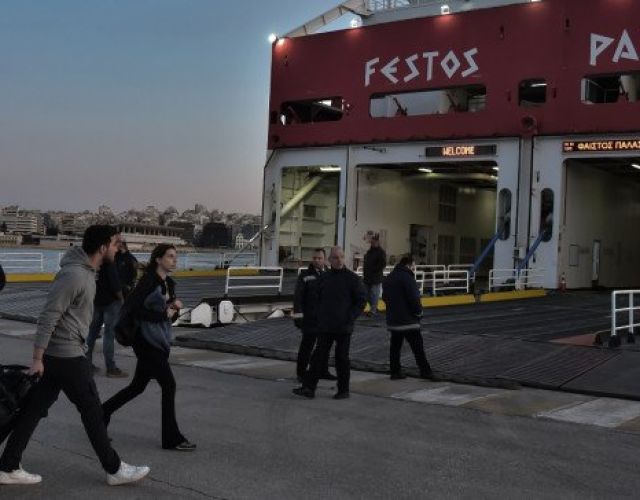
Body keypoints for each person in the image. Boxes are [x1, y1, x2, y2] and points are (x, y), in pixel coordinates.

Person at [0, 225, 150, 486]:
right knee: (92, 411)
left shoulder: (88, 272)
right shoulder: (75, 275)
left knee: (34, 409)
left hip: (62, 354)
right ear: (103, 247)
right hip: (66, 355)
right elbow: (48, 316)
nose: (118, 248)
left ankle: (8, 465)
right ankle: (114, 468)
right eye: (115, 244)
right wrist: (37, 359)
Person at [102, 244, 195, 452]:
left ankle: (102, 413)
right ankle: (171, 438)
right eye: (170, 256)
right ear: (158, 259)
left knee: (137, 387)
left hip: (159, 340)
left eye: (175, 256)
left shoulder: (169, 283)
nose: (174, 260)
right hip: (145, 341)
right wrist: (163, 313)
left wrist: (174, 310)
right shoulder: (148, 281)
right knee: (169, 385)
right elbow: (134, 310)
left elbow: (168, 318)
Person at [293, 247, 367, 400]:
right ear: (330, 260)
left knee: (342, 358)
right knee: (318, 356)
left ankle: (343, 390)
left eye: (341, 257)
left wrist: (351, 316)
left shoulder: (353, 279)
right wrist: (318, 316)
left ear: (344, 258)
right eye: (335, 257)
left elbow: (361, 300)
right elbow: (316, 298)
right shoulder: (324, 278)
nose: (339, 260)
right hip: (326, 325)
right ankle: (309, 388)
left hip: (344, 326)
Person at [382, 256, 435, 380]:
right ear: (409, 265)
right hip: (409, 321)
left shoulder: (389, 278)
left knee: (395, 348)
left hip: (394, 321)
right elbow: (414, 298)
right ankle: (426, 372)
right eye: (414, 266)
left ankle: (395, 372)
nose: (414, 269)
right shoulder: (408, 278)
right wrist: (419, 313)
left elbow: (385, 297)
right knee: (418, 348)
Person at [86, 233, 128, 378]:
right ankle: (111, 368)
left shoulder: (97, 260)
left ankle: (86, 364)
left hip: (97, 300)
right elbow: (115, 283)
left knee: (91, 333)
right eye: (116, 243)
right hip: (111, 302)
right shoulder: (110, 261)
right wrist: (121, 300)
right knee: (109, 335)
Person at [292, 248, 336, 382]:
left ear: (325, 259)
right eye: (314, 258)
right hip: (310, 317)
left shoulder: (329, 274)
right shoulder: (305, 276)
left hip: (325, 318)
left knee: (324, 346)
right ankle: (301, 373)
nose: (316, 260)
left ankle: (322, 370)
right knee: (307, 346)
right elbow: (298, 297)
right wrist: (298, 316)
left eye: (319, 258)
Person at [363, 235, 387, 315]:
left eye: (374, 241)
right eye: (372, 241)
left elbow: (383, 264)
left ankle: (373, 310)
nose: (373, 243)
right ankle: (374, 308)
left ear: (377, 242)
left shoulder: (381, 252)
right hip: (367, 277)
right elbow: (366, 263)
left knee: (374, 294)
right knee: (366, 294)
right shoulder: (369, 252)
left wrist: (374, 270)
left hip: (376, 277)